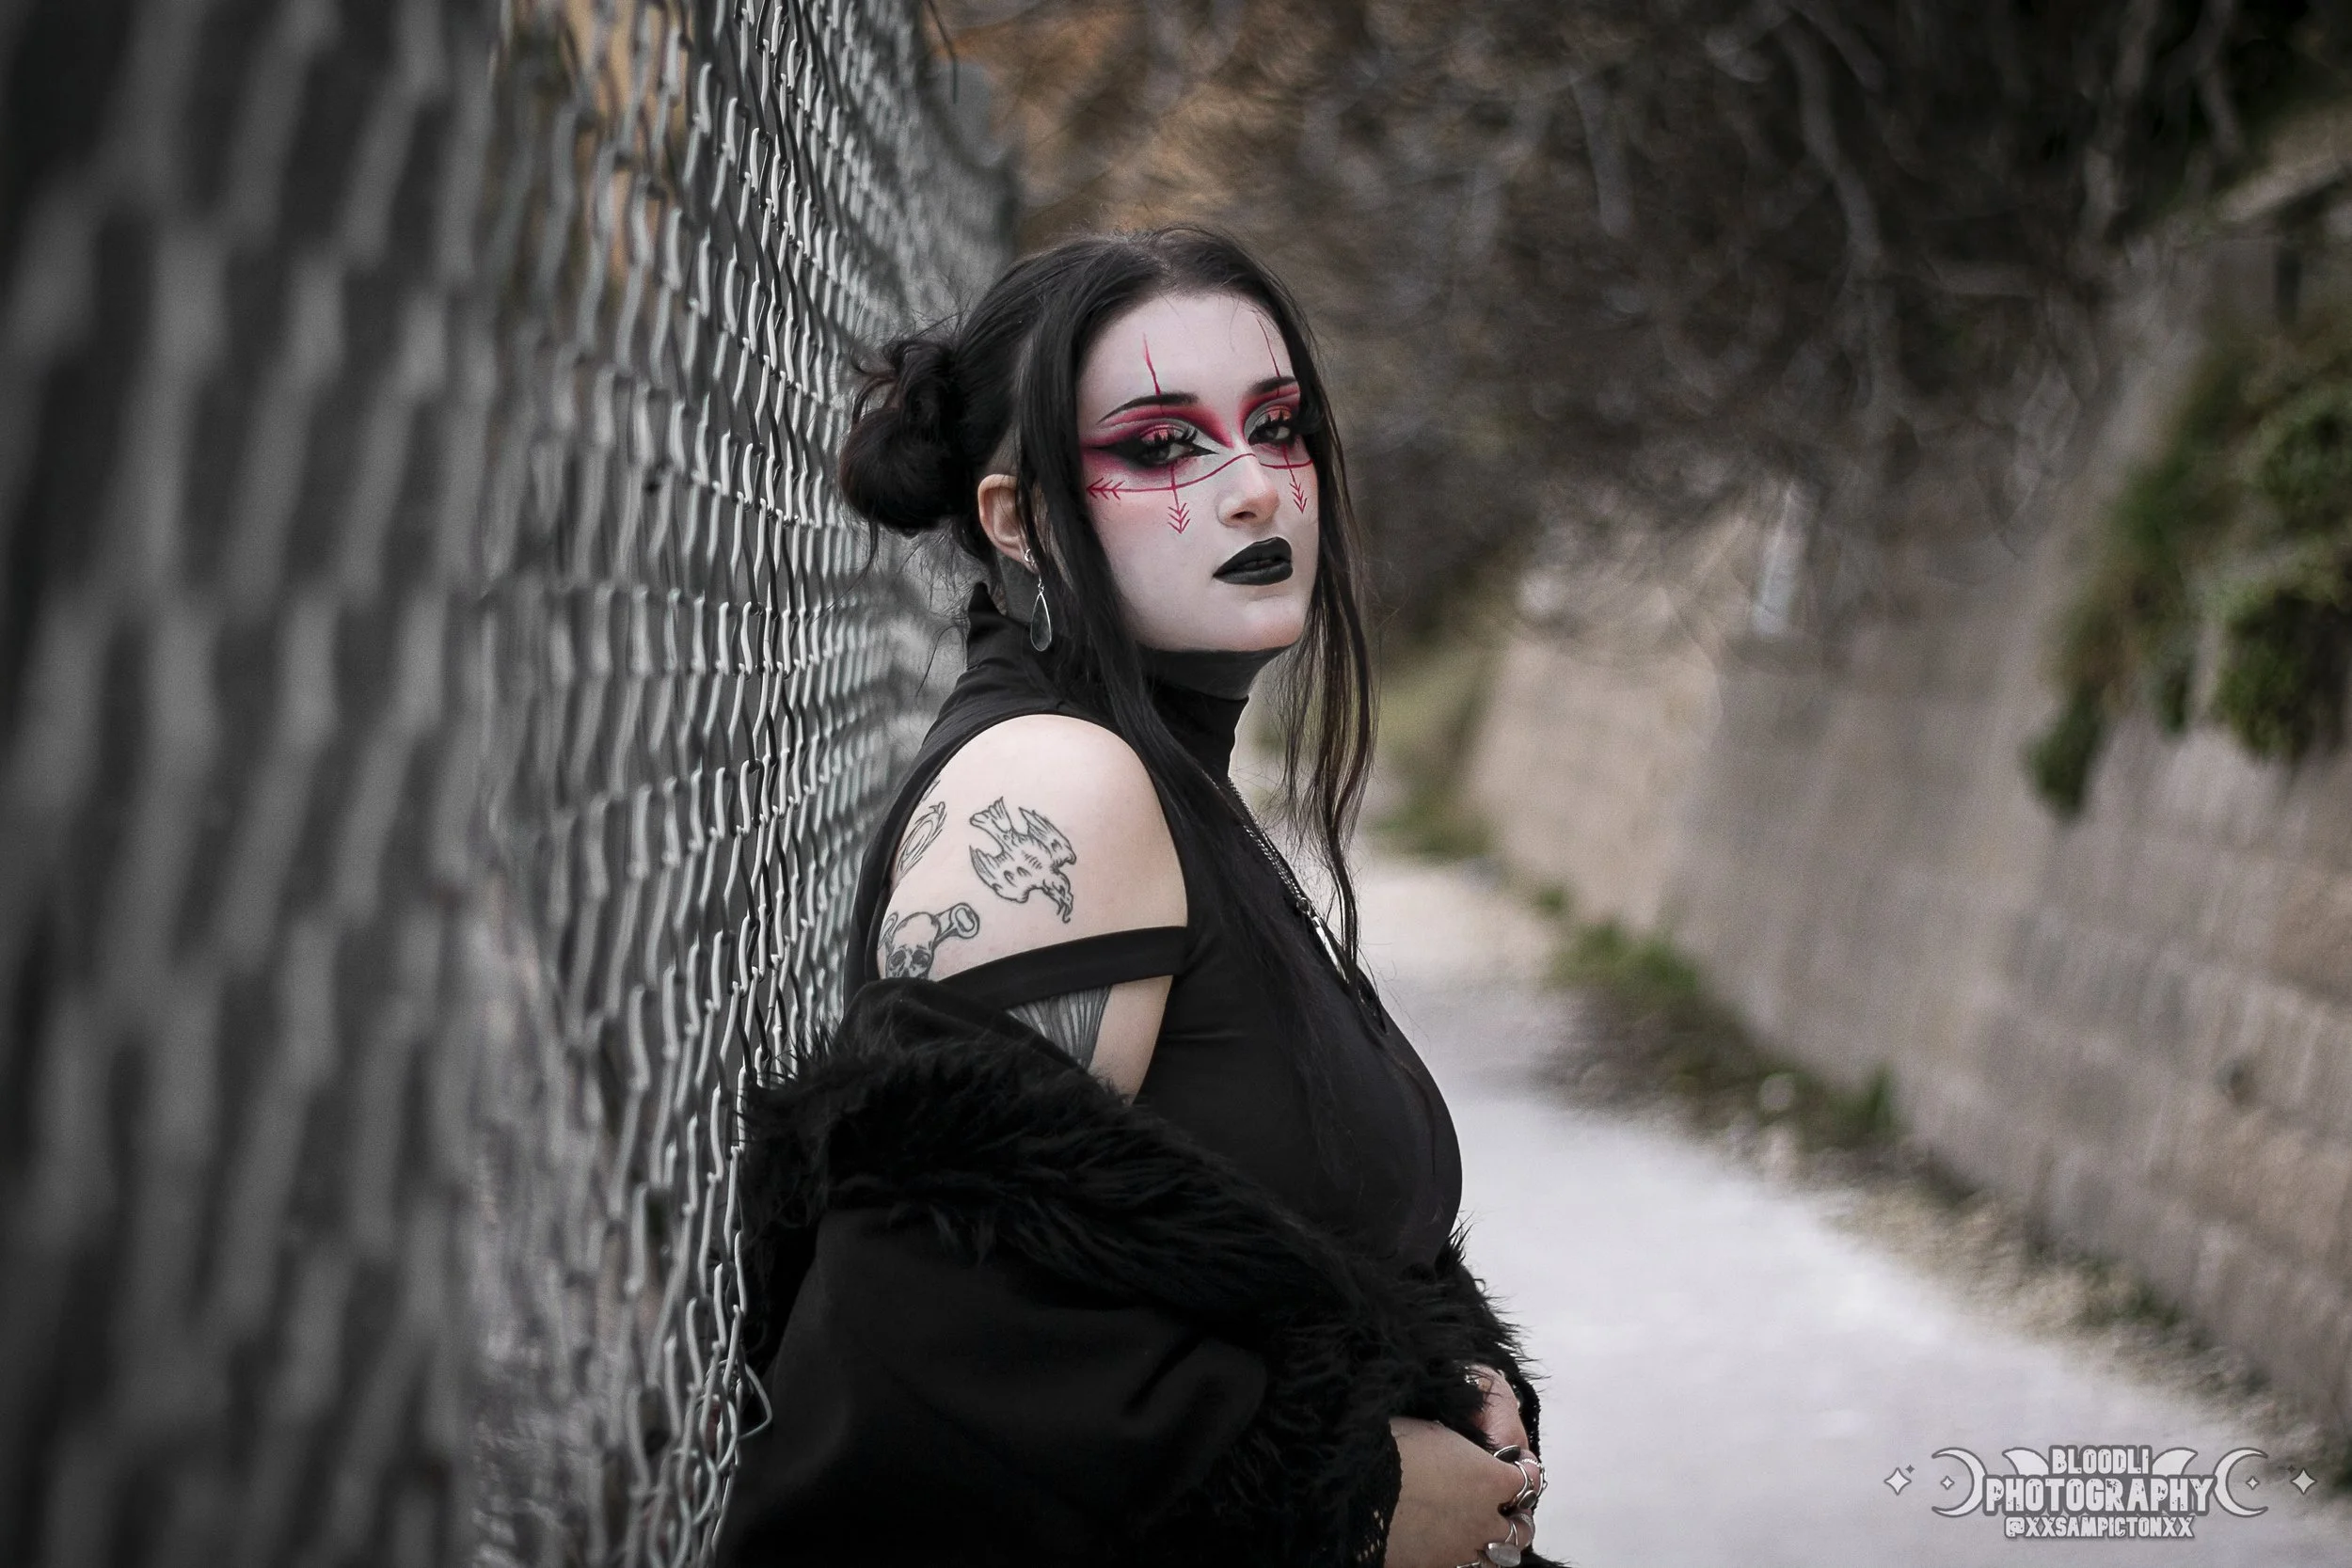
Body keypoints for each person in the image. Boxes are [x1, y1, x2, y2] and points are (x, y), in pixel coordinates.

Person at [719, 228, 1552, 1568]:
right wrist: (1350, 1491)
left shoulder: (1170, 792)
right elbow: (924, 1364)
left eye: (1277, 427)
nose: (1253, 490)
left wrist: (1437, 1375)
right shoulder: (1057, 788)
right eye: (1164, 447)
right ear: (1024, 518)